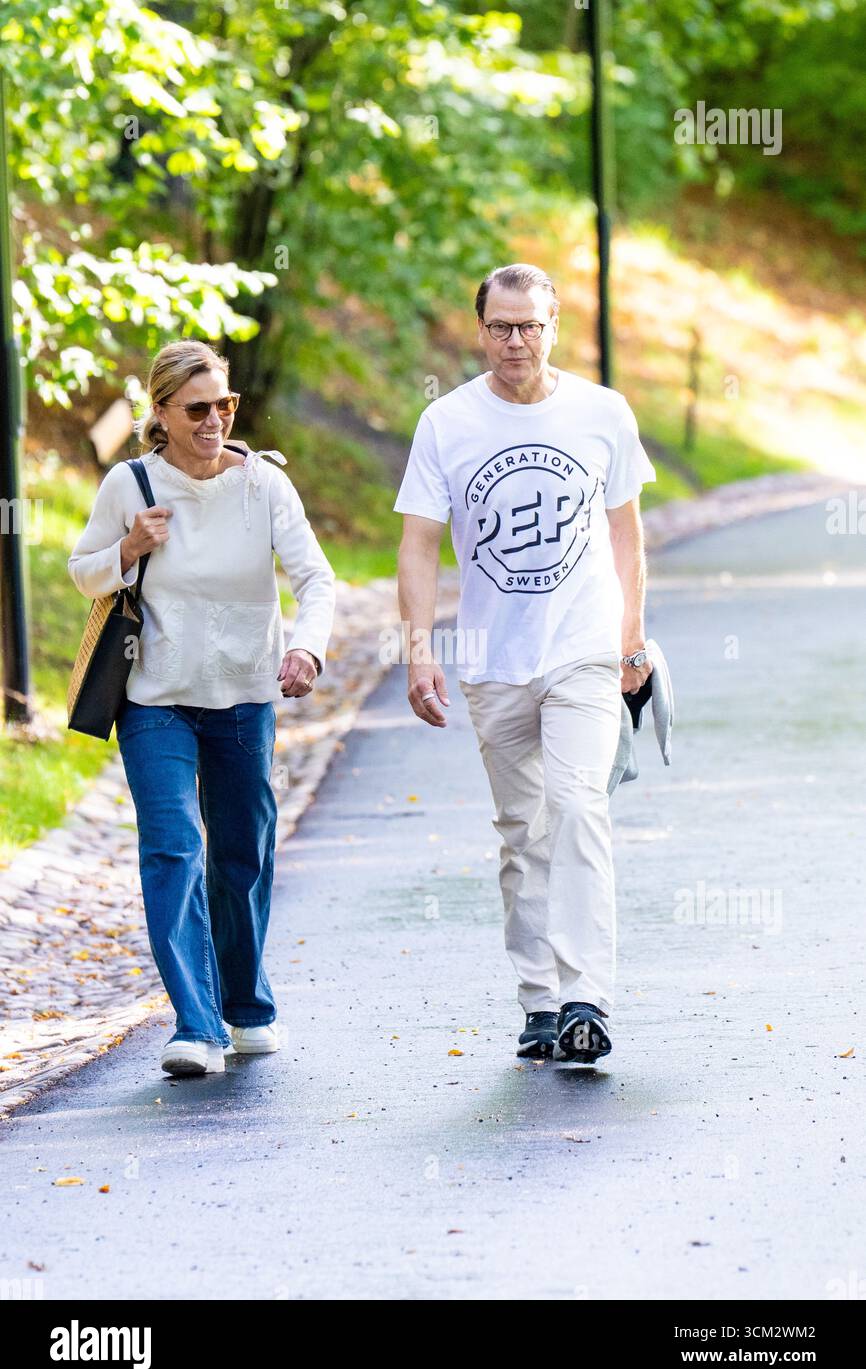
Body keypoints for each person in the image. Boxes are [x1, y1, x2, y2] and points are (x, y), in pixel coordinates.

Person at [394, 263, 655, 1065]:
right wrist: (415, 649)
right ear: (480, 330)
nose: (516, 340)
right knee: (523, 833)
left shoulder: (602, 413)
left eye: (530, 326)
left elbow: (626, 534)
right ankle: (540, 1001)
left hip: (582, 649)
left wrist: (631, 637)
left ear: (552, 327)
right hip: (494, 660)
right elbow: (417, 543)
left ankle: (586, 998)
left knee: (579, 807)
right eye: (502, 326)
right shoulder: (447, 423)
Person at [68, 340, 336, 1077]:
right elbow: (83, 573)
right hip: (155, 699)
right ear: (160, 414)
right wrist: (128, 545)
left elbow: (318, 580)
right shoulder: (131, 485)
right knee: (173, 848)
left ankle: (245, 1006)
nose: (215, 418)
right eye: (197, 408)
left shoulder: (264, 487)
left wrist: (307, 649)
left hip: (245, 698)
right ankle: (195, 1024)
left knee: (242, 854)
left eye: (225, 404)